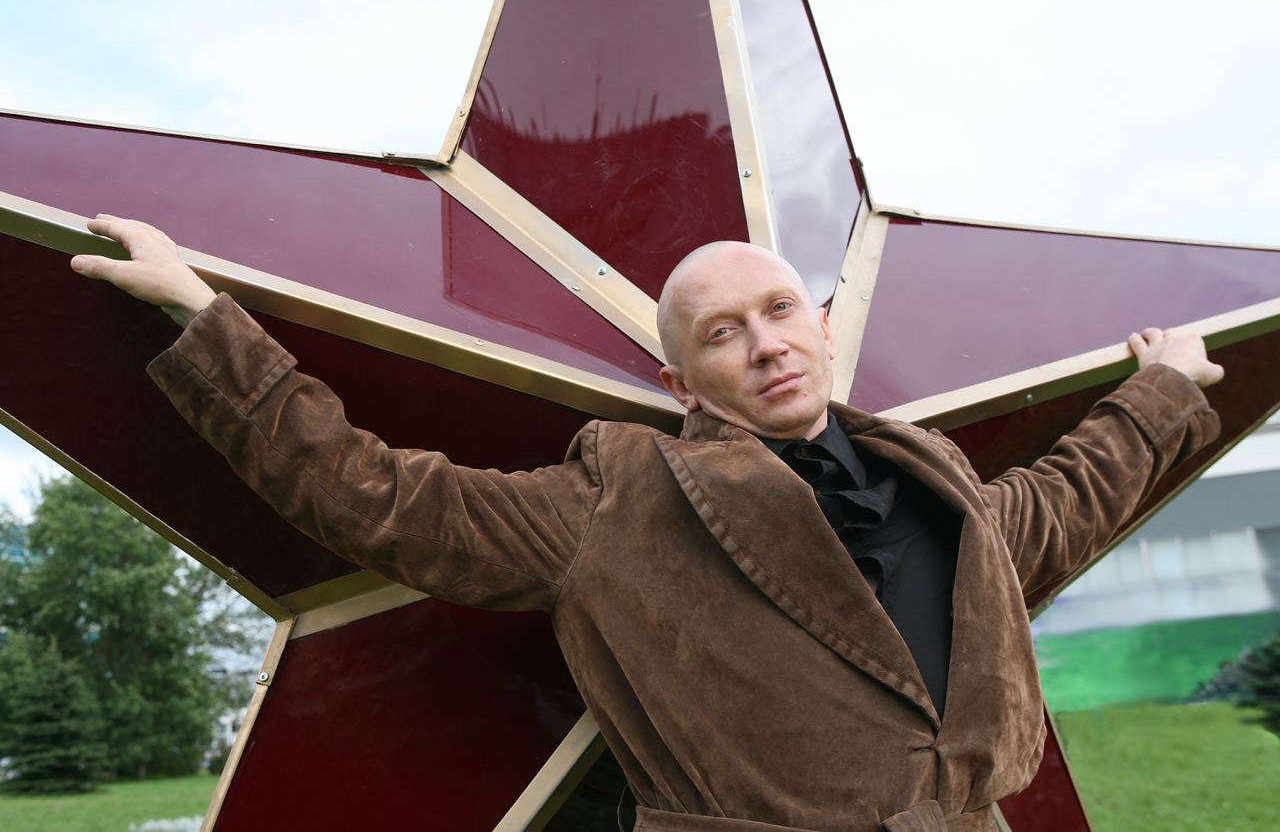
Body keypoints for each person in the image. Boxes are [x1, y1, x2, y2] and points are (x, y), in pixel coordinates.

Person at [72, 215, 1223, 832]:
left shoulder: (939, 479)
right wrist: (204, 318)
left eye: (779, 311)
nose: (765, 345)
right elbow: (371, 494)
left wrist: (1162, 387)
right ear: (679, 384)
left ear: (820, 325)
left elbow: (1068, 494)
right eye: (722, 333)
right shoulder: (617, 498)